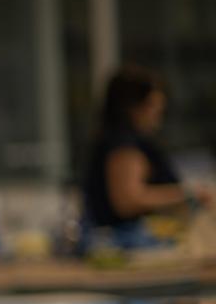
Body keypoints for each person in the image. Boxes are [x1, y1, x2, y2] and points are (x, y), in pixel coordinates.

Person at [81, 65, 210, 249]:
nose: (159, 112)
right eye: (153, 106)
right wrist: (189, 195)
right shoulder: (124, 144)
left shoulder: (124, 140)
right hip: (126, 244)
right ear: (133, 107)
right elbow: (128, 200)